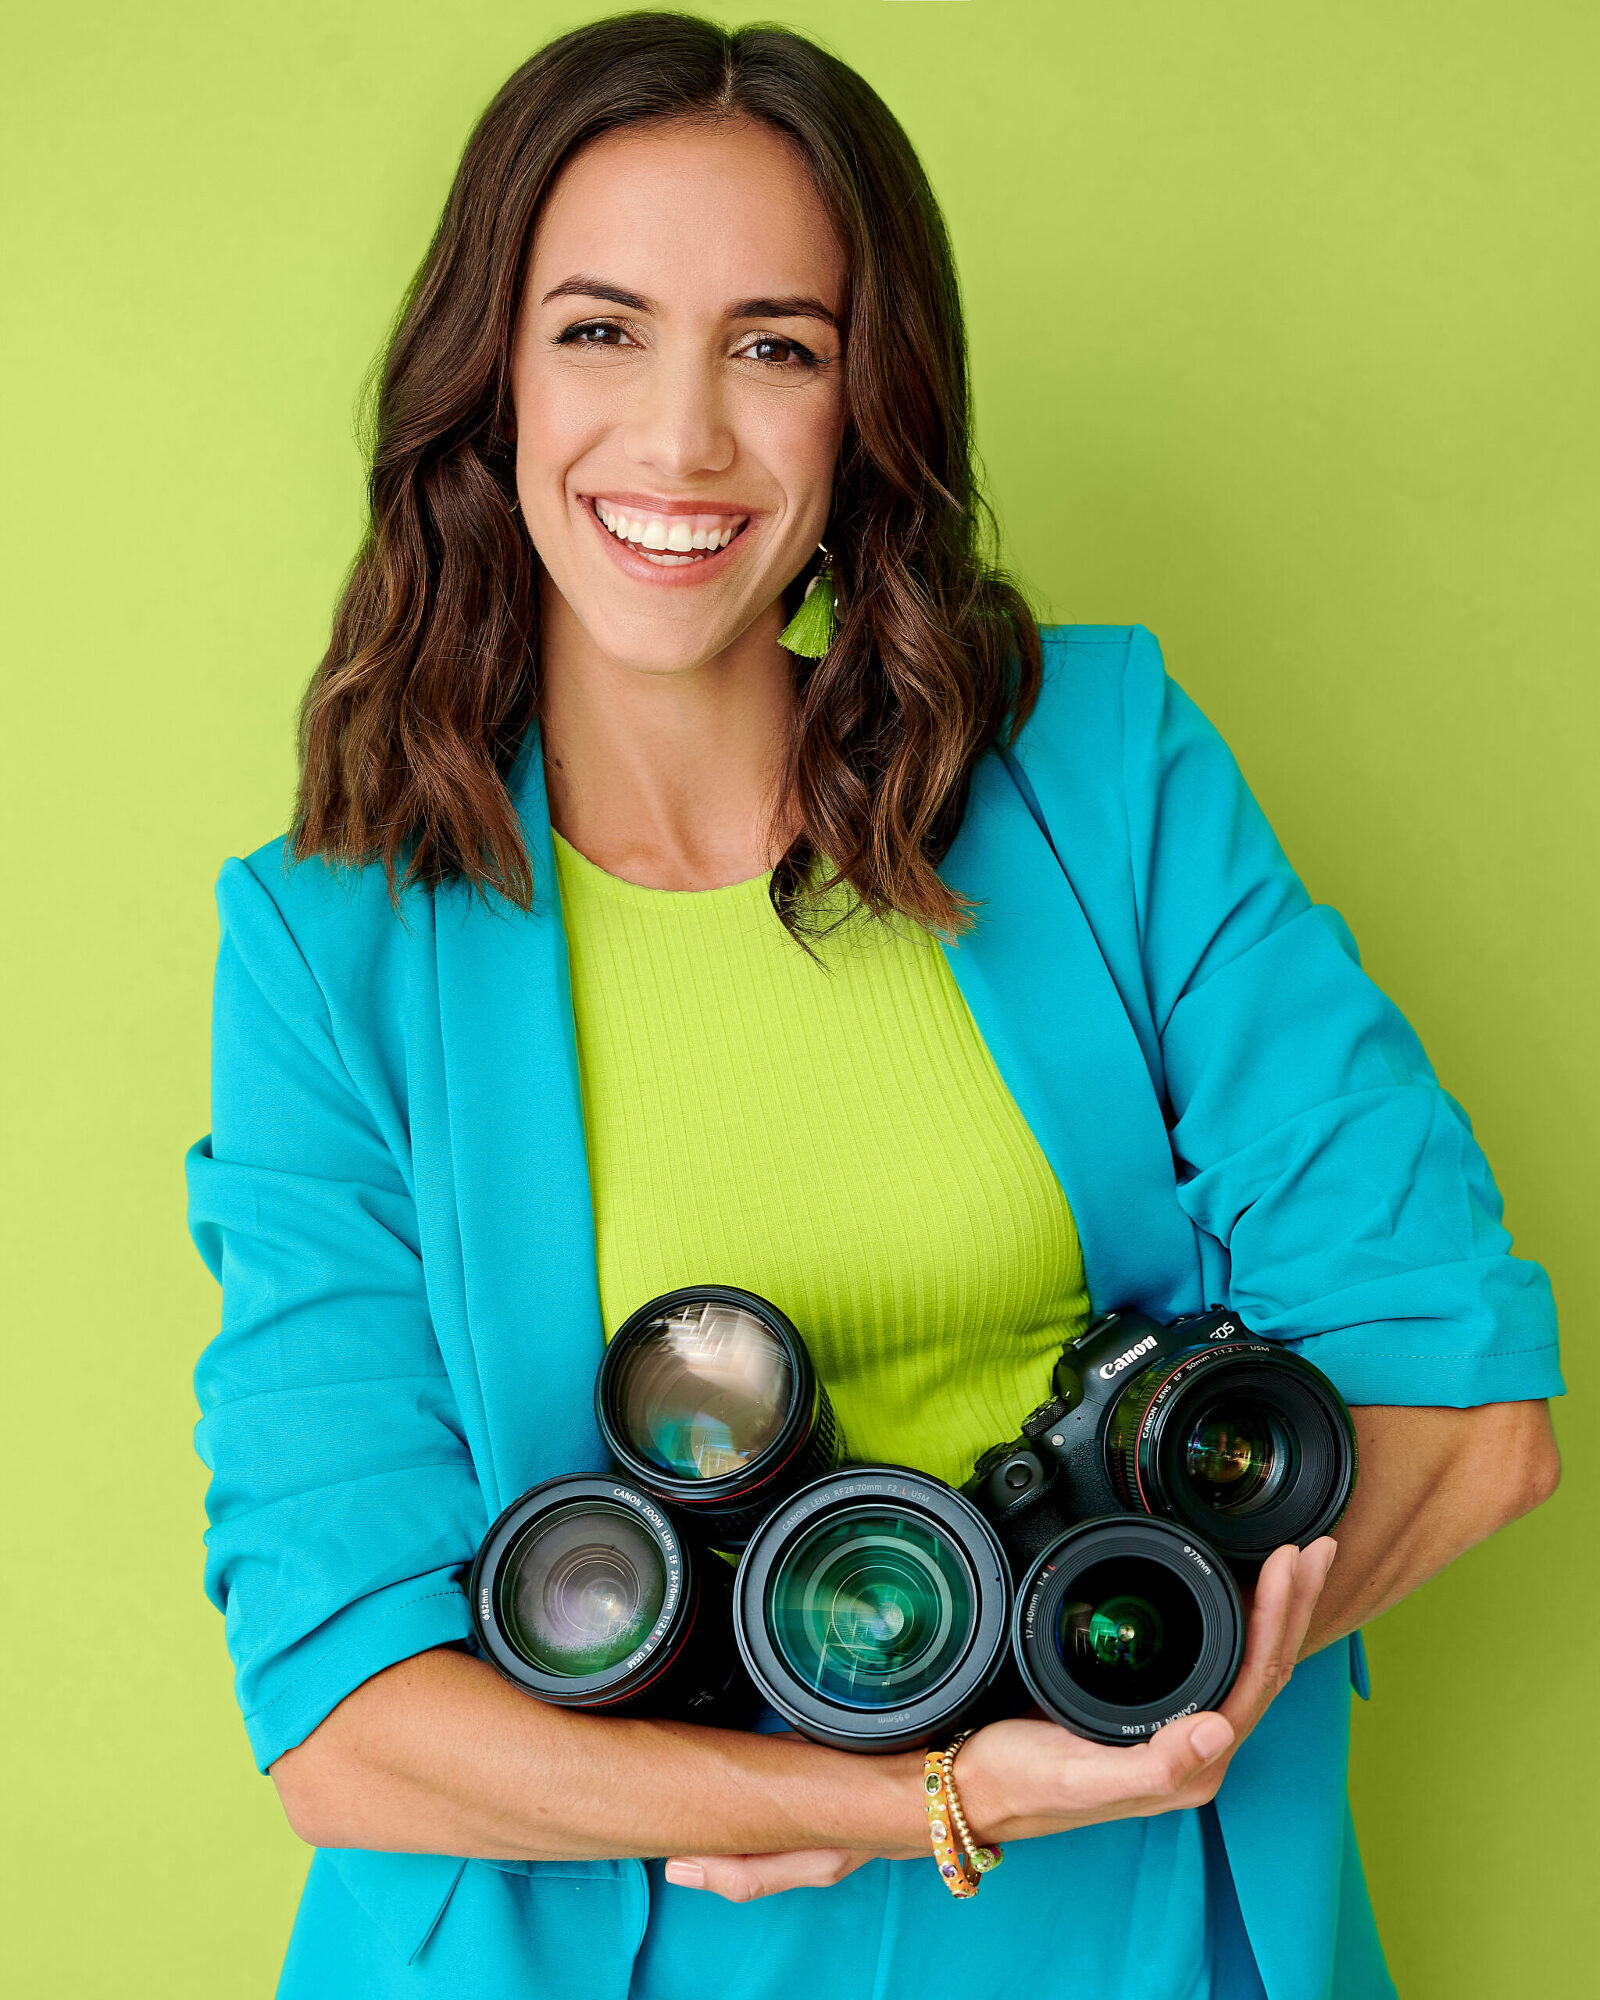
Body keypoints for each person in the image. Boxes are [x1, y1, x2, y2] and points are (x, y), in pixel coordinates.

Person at [185, 14, 1562, 1999]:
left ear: (864, 408)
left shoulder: (1095, 774)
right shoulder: (337, 946)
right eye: (596, 331)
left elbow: (1461, 1404)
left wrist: (1151, 1680)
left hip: (1137, 1933)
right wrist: (904, 1792)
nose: (679, 440)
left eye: (774, 345)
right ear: (482, 384)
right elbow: (346, 1714)